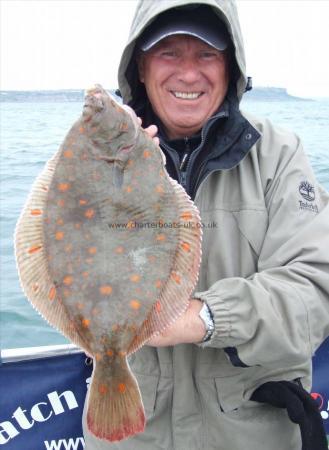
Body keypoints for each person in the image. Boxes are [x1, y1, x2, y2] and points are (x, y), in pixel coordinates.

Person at [83, 1, 329, 449]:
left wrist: (206, 317)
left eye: (207, 55)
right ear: (139, 66)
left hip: (251, 432)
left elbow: (315, 289)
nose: (189, 73)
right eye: (169, 53)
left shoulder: (279, 155)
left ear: (231, 67)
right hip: (134, 430)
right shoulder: (96, 158)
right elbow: (65, 267)